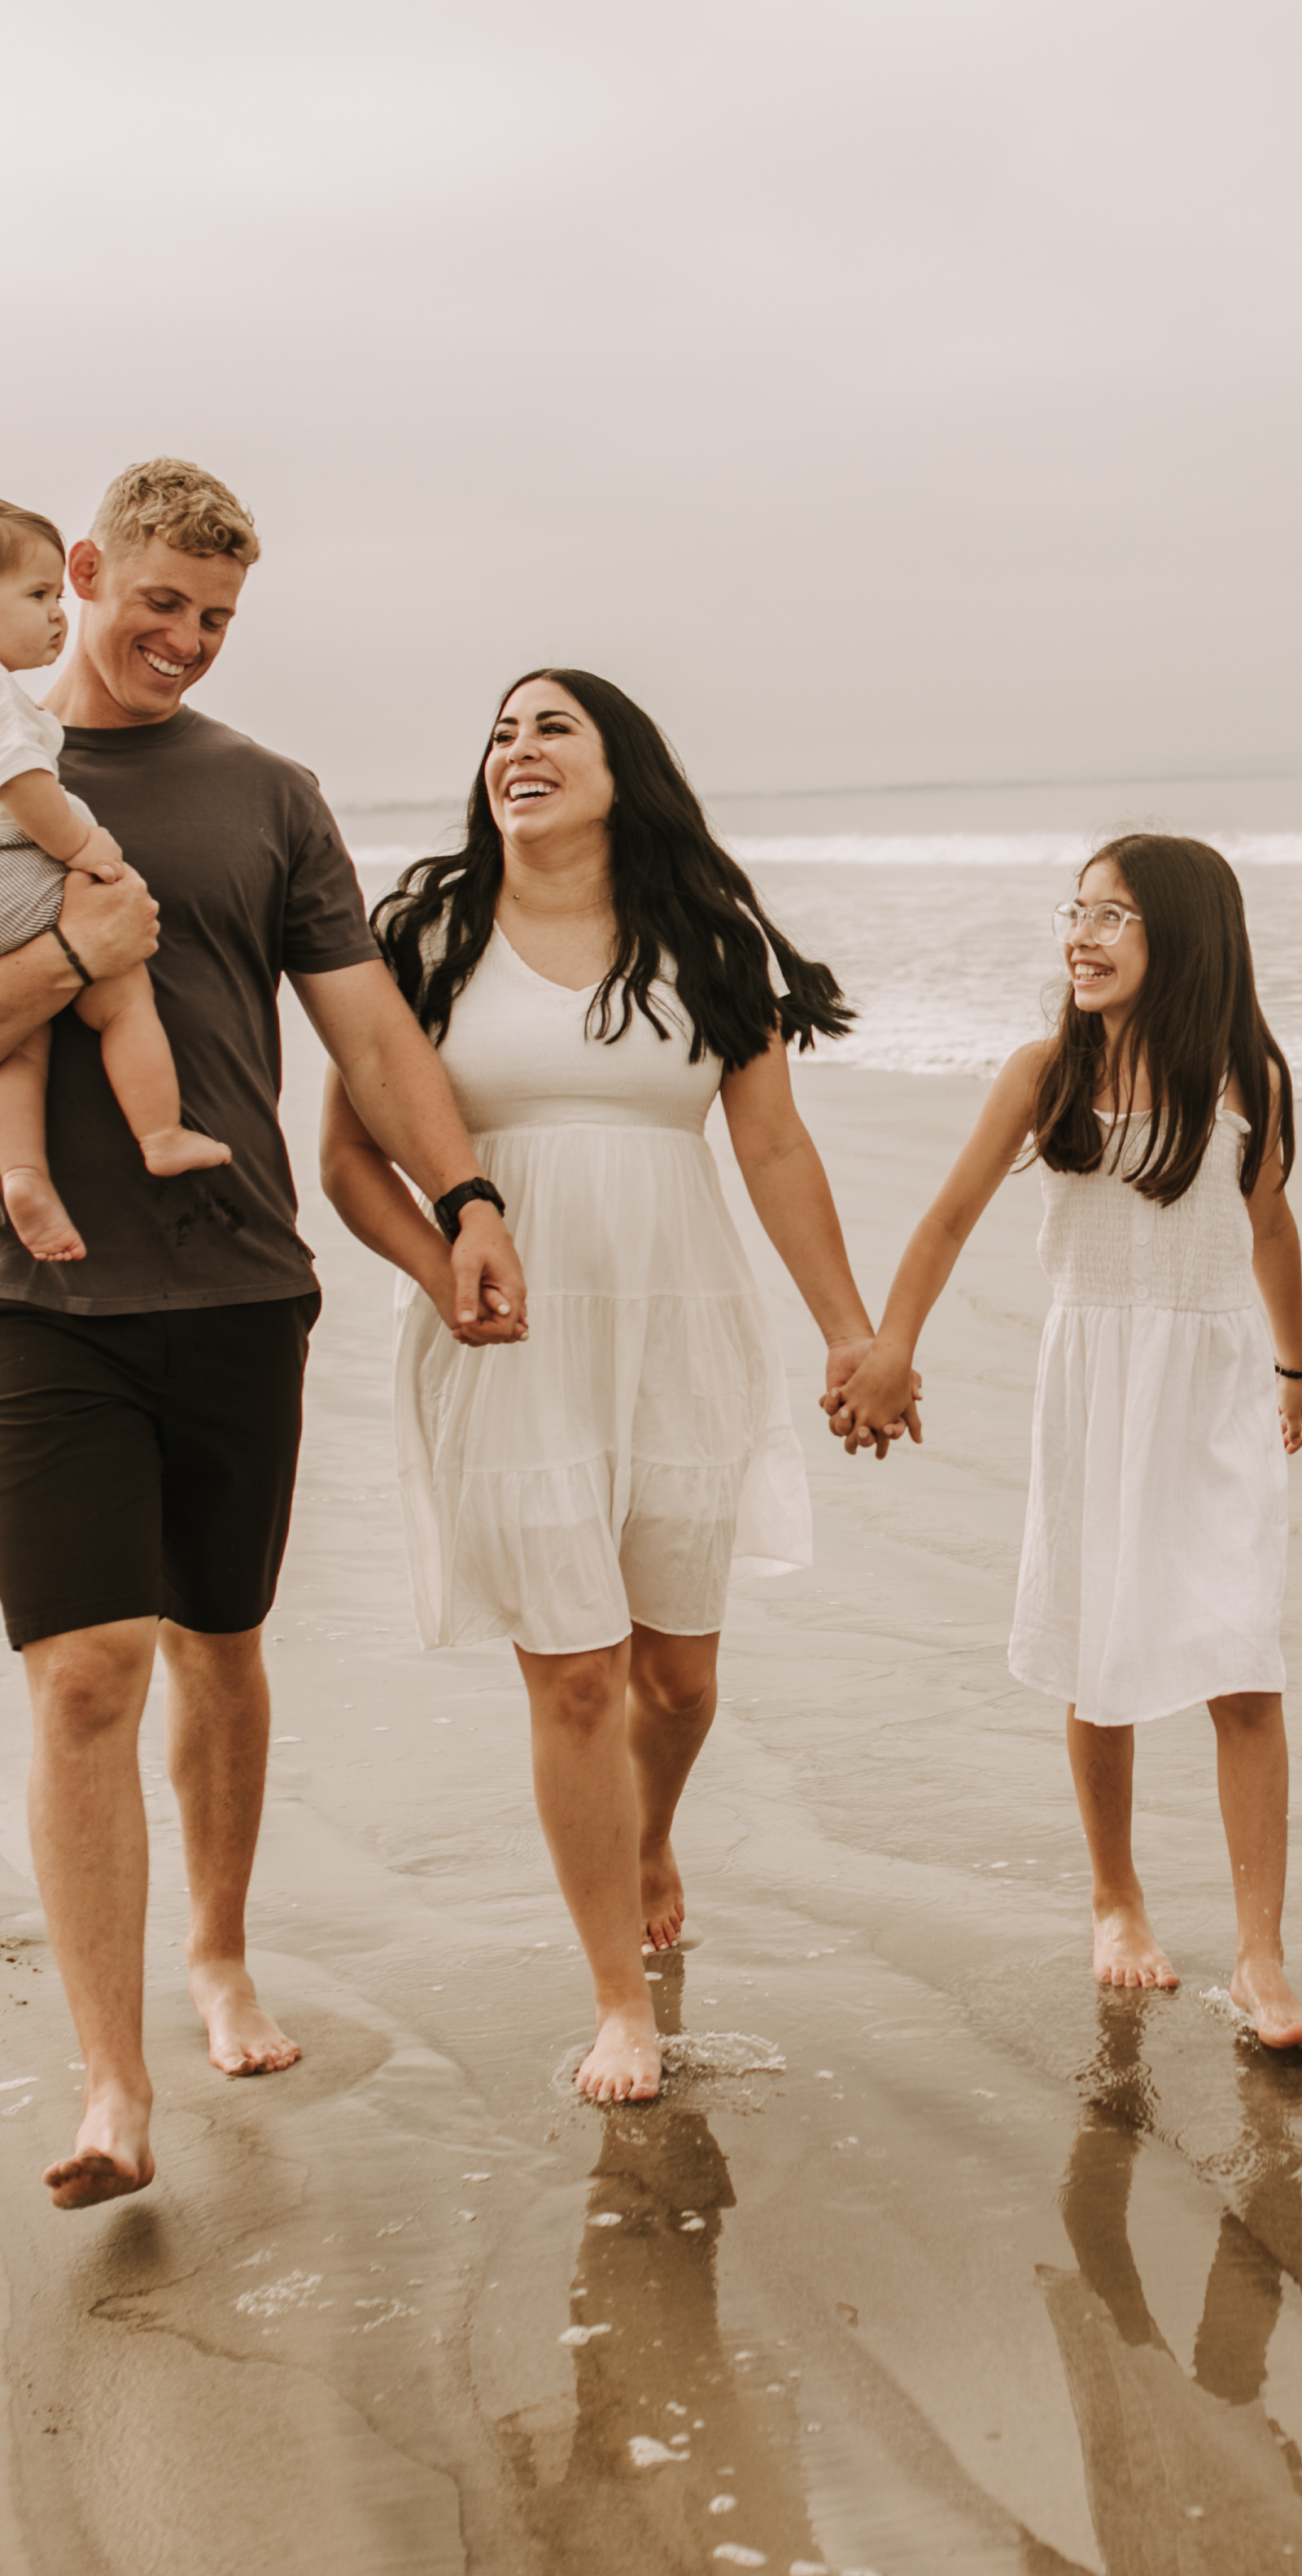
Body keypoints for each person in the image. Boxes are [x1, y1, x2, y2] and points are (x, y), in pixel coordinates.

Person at [0, 458, 530, 2210]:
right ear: (78, 576)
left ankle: (218, 1949)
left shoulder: (272, 797)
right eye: (159, 603)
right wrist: (74, 955)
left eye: (219, 619)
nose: (186, 642)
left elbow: (372, 1034)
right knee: (86, 1674)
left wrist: (466, 1203)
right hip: (31, 1296)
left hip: (236, 1285)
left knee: (220, 1639)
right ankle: (107, 2086)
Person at [325, 668, 893, 2107]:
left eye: (551, 727)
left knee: (678, 1678)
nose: (517, 749)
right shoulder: (425, 934)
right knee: (575, 1677)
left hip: (678, 1330)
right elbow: (345, 1157)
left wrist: (849, 1328)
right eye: (501, 733)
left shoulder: (705, 940)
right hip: (504, 1347)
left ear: (618, 768)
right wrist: (438, 1269)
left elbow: (771, 1151)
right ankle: (615, 2003)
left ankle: (648, 1836)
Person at [832, 832, 1302, 2049]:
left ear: (1188, 940)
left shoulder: (1240, 1080)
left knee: (1241, 1660)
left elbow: (1269, 1227)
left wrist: (1295, 1362)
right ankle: (1116, 1899)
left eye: (1116, 917)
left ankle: (1261, 1958)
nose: (1083, 936)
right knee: (1102, 1654)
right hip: (1094, 1387)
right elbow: (948, 1220)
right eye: (1078, 911)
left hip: (1212, 1394)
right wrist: (890, 1347)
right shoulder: (1044, 1072)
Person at [0, 491, 233, 1265]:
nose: (56, 615)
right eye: (37, 596)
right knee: (122, 990)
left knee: (10, 1041)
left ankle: (23, 1176)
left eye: (57, 595)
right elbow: (28, 791)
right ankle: (160, 1133)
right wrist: (88, 848)